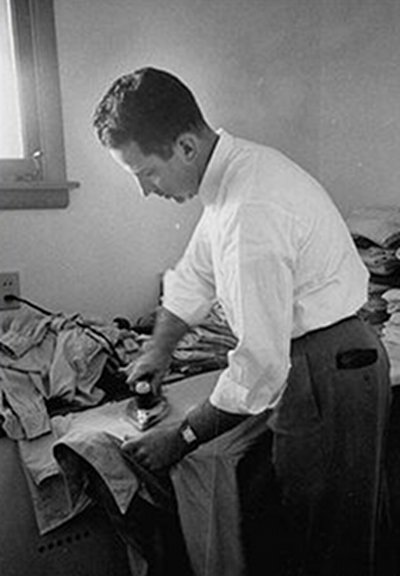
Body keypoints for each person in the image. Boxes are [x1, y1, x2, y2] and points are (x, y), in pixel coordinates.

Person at [93, 67, 391, 576]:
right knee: (300, 518)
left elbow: (260, 368)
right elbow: (193, 276)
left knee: (328, 547)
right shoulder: (231, 180)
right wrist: (159, 349)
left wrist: (180, 437)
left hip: (328, 368)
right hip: (316, 361)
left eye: (147, 173)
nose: (146, 191)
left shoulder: (251, 207)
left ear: (185, 146)